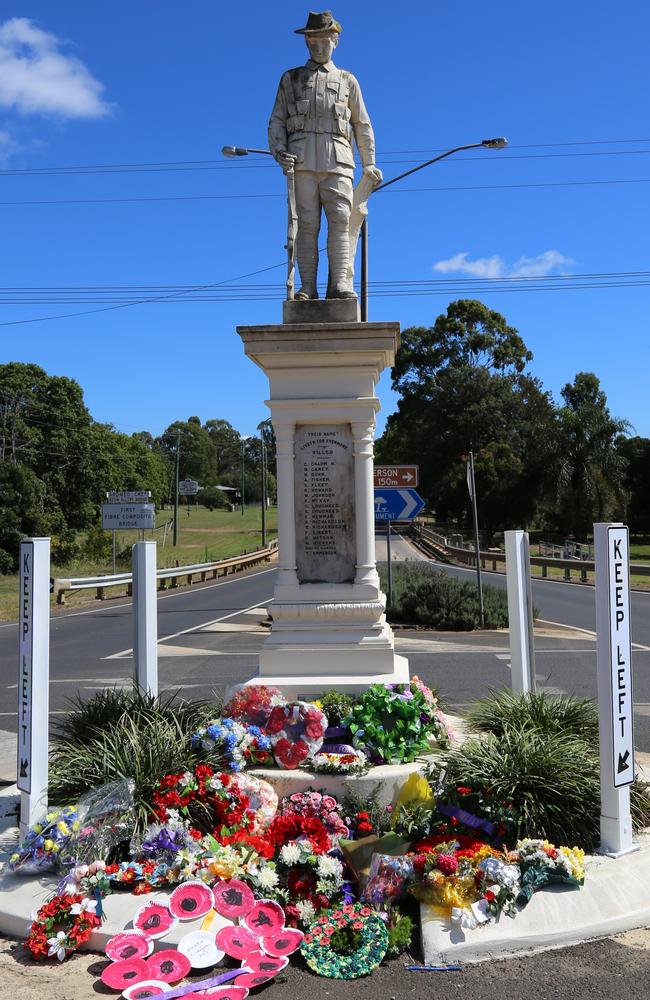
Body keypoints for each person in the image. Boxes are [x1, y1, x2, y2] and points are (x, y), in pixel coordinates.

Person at [268, 11, 382, 300]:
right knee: (305, 224)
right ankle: (307, 287)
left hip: (339, 162)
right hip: (302, 161)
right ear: (306, 43)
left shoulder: (347, 80)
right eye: (313, 41)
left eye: (324, 41)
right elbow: (277, 121)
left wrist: (369, 163)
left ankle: (341, 284)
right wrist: (279, 151)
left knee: (341, 221)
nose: (318, 47)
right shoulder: (290, 79)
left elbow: (362, 124)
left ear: (336, 41)